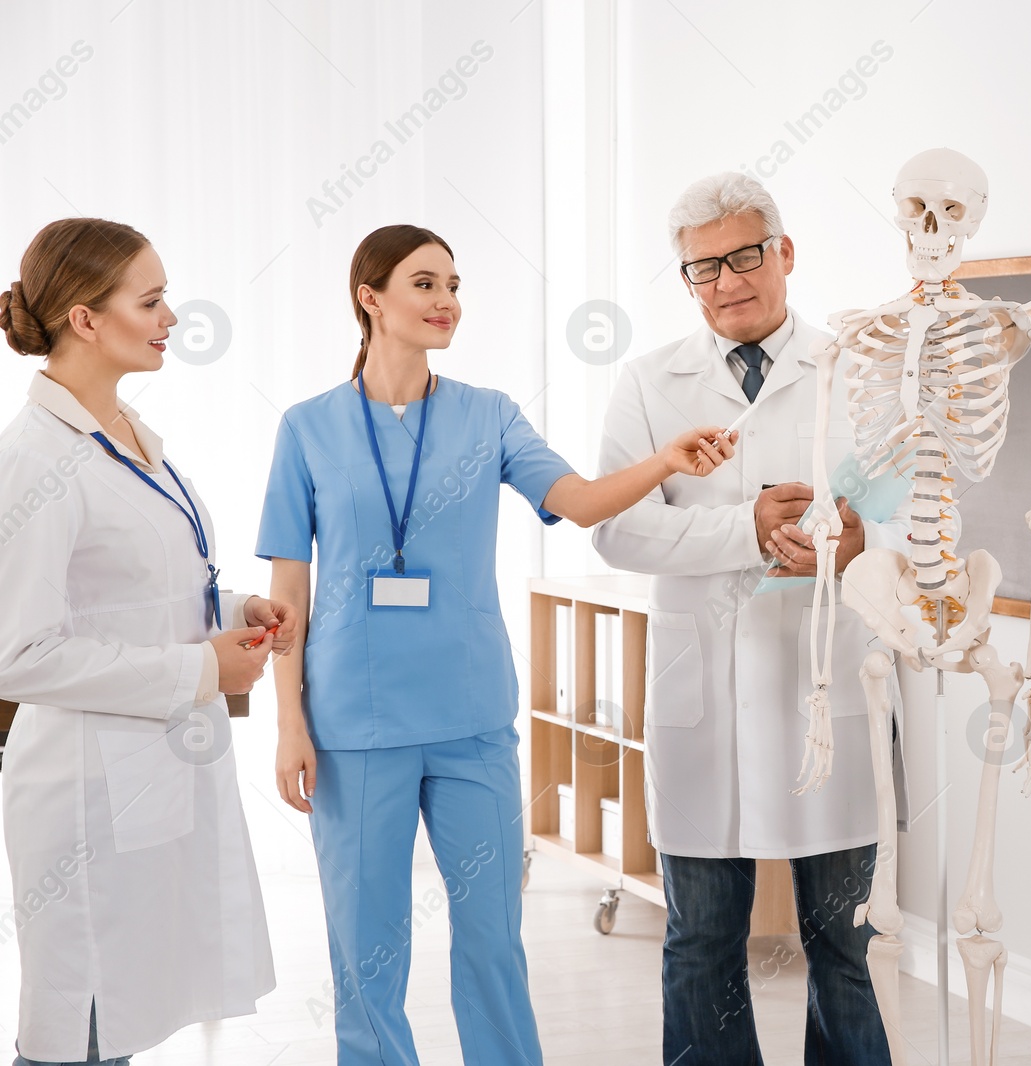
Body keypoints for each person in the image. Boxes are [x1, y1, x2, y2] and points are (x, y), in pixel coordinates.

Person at [258, 223, 734, 1066]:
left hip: (471, 719)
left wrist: (664, 463)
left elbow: (581, 502)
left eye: (453, 285)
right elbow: (287, 597)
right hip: (353, 721)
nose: (448, 302)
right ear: (370, 299)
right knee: (367, 953)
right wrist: (287, 723)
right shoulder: (308, 428)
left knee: (491, 941)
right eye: (425, 284)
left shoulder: (490, 415)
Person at [592, 172, 906, 1065]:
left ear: (785, 255)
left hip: (827, 688)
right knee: (700, 943)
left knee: (844, 944)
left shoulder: (858, 370)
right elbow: (617, 530)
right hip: (707, 708)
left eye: (743, 256)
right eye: (701, 268)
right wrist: (748, 530)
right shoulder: (652, 383)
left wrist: (853, 542)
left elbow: (908, 513)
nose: (726, 281)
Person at [0, 218, 287, 1064]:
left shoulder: (127, 437)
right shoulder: (35, 460)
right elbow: (20, 654)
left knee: (120, 1022)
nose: (172, 319)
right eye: (152, 301)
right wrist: (200, 668)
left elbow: (139, 592)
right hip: (84, 796)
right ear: (86, 319)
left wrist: (233, 611)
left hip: (151, 775)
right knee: (81, 1031)